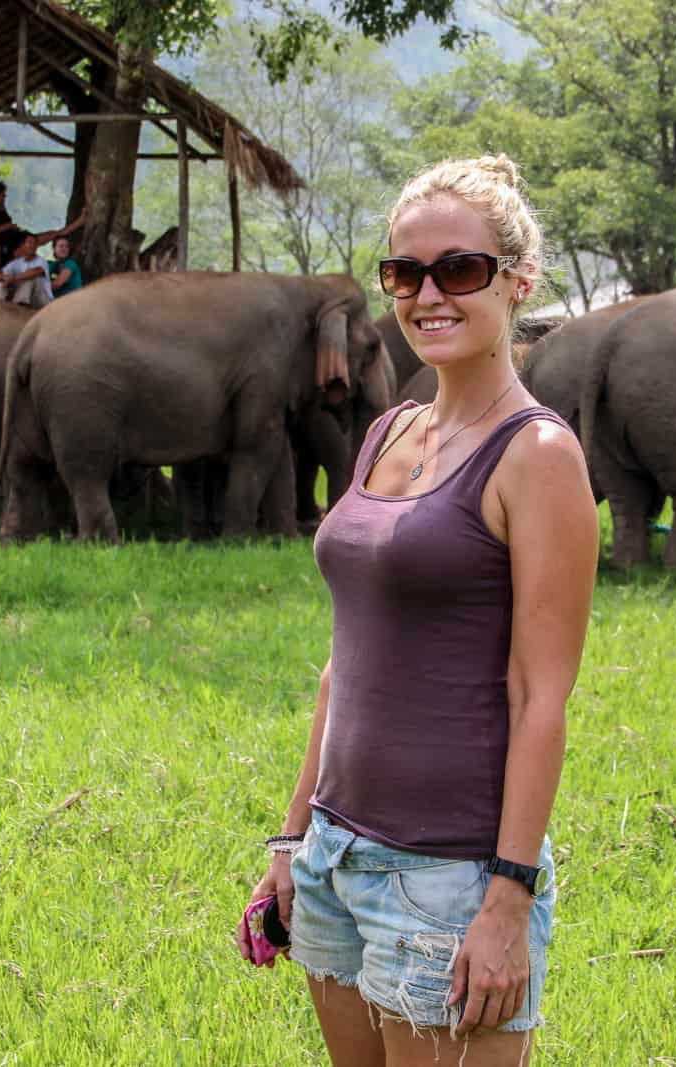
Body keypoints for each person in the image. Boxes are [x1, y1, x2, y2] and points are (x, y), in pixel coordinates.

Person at [249, 155, 599, 1067]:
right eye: (404, 273)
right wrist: (293, 838)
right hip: (337, 856)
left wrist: (508, 898)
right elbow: (345, 666)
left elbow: (541, 697)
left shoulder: (540, 457)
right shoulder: (388, 432)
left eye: (460, 269)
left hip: (451, 876)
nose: (428, 295)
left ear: (517, 282)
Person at [0, 180, 86, 264]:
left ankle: (80, 222)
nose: (4, 198)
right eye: (2, 195)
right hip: (10, 244)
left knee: (54, 234)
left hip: (18, 237)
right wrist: (8, 226)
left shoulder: (0, 208)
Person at [0, 231, 54, 308]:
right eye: (30, 242)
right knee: (1, 283)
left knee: (30, 279)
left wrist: (13, 278)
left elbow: (35, 272)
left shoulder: (41, 261)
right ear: (22, 245)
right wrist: (4, 277)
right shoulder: (16, 263)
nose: (33, 245)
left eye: (35, 243)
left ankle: (20, 306)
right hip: (26, 297)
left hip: (42, 301)